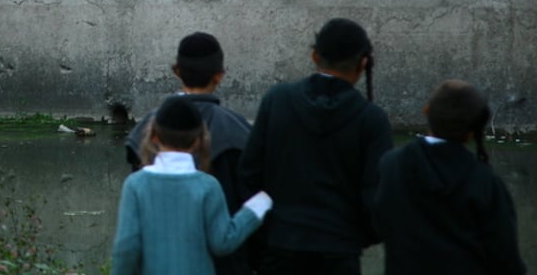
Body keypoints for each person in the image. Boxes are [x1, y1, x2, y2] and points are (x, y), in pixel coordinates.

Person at [240, 18, 392, 275]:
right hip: (340, 249)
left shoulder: (277, 100)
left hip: (280, 243)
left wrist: (266, 233)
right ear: (363, 63)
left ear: (314, 55)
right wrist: (355, 238)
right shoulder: (371, 119)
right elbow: (377, 195)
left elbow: (248, 174)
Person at [123, 33, 258, 275]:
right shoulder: (239, 133)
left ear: (176, 71)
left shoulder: (144, 131)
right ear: (220, 74)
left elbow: (129, 241)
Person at [371, 80, 525, 275]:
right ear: (472, 133)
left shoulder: (390, 166)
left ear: (426, 111)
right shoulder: (484, 182)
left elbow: (378, 222)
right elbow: (505, 256)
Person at [113, 95, 271, 275]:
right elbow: (223, 242)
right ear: (198, 141)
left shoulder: (136, 185)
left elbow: (126, 248)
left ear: (154, 137)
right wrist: (258, 205)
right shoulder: (208, 185)